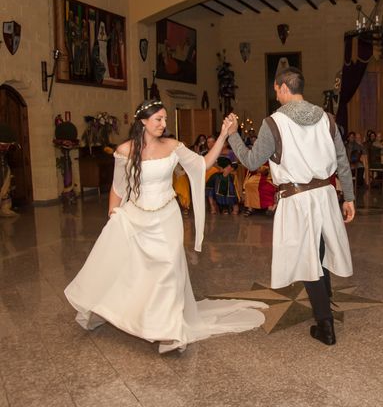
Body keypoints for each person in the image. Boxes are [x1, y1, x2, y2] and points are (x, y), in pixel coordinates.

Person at [64, 100, 266, 353]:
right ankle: (131, 312)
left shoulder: (173, 146)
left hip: (167, 216)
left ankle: (169, 331)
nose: (163, 124)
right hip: (137, 216)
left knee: (170, 267)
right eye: (158, 119)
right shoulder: (125, 150)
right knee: (137, 270)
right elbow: (118, 187)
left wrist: (225, 134)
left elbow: (202, 164)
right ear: (143, 122)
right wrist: (113, 215)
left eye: (165, 119)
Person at [225, 67, 355, 346]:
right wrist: (350, 198)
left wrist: (233, 135)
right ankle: (327, 301)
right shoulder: (327, 119)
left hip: (297, 200)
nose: (276, 94)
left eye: (276, 89)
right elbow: (342, 161)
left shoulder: (273, 123)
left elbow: (249, 160)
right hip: (325, 195)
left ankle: (325, 325)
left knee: (309, 260)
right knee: (319, 250)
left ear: (283, 87)